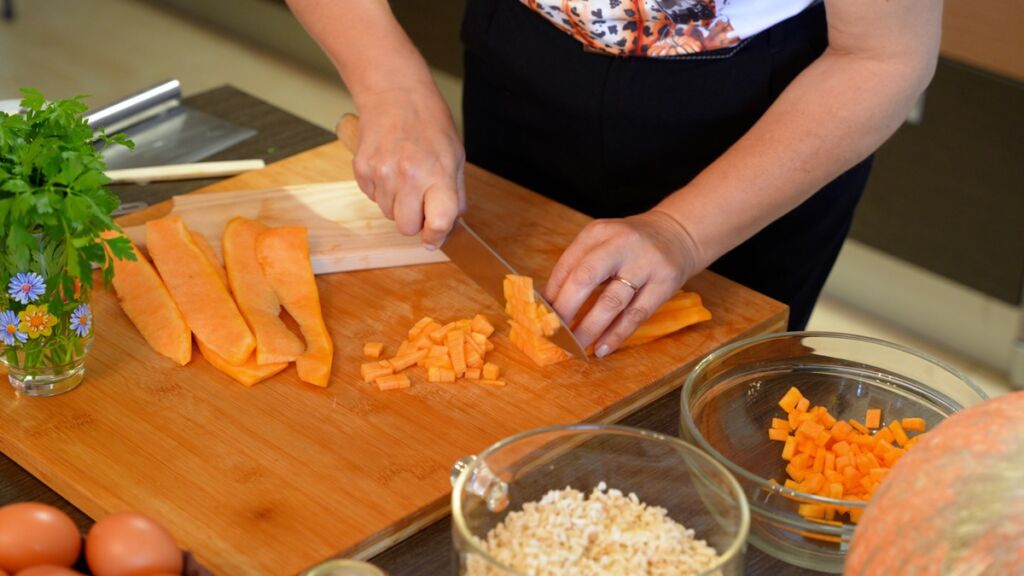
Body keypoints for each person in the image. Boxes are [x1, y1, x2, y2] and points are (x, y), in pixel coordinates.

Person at [287, 0, 940, 357]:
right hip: (521, 47)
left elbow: (883, 55)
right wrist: (390, 86)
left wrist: (681, 232)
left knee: (707, 417)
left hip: (772, 113)